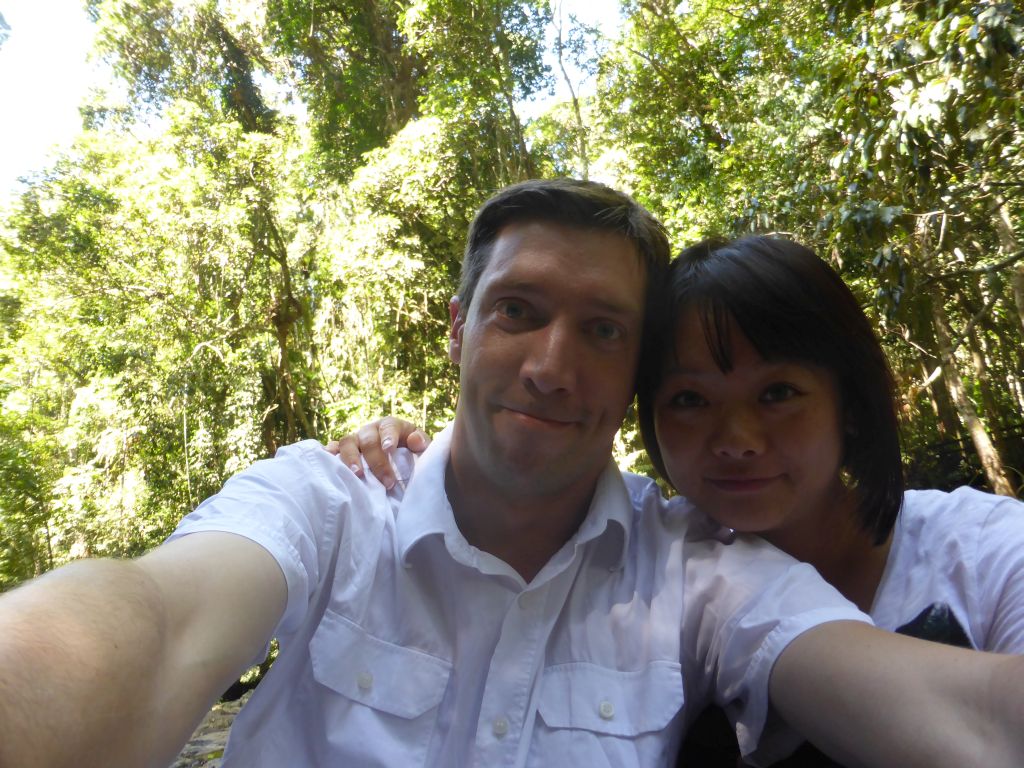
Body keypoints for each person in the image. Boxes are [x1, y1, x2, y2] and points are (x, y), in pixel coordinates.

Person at [1, 181, 1023, 768]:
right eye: (519, 311)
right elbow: (148, 622)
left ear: (629, 374)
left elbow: (952, 712)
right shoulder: (326, 506)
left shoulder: (701, 573)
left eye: (603, 330)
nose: (549, 365)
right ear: (457, 331)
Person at [345, 233, 1024, 766]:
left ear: (849, 401)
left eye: (778, 393)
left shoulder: (989, 553)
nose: (737, 440)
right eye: (691, 400)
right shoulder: (652, 574)